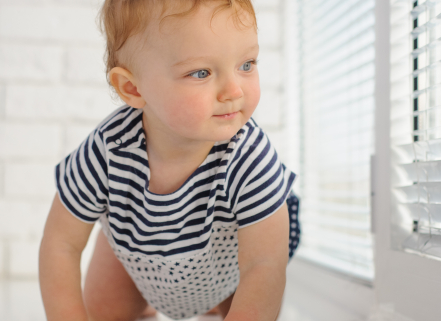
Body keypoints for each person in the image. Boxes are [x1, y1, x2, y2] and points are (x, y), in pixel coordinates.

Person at [38, 1, 300, 320]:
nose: (234, 90)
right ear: (133, 87)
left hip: (229, 265)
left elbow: (264, 264)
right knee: (104, 309)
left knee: (253, 298)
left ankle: (217, 305)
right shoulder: (107, 150)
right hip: (137, 251)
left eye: (246, 64)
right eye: (201, 72)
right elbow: (60, 244)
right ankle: (144, 303)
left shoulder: (250, 157)